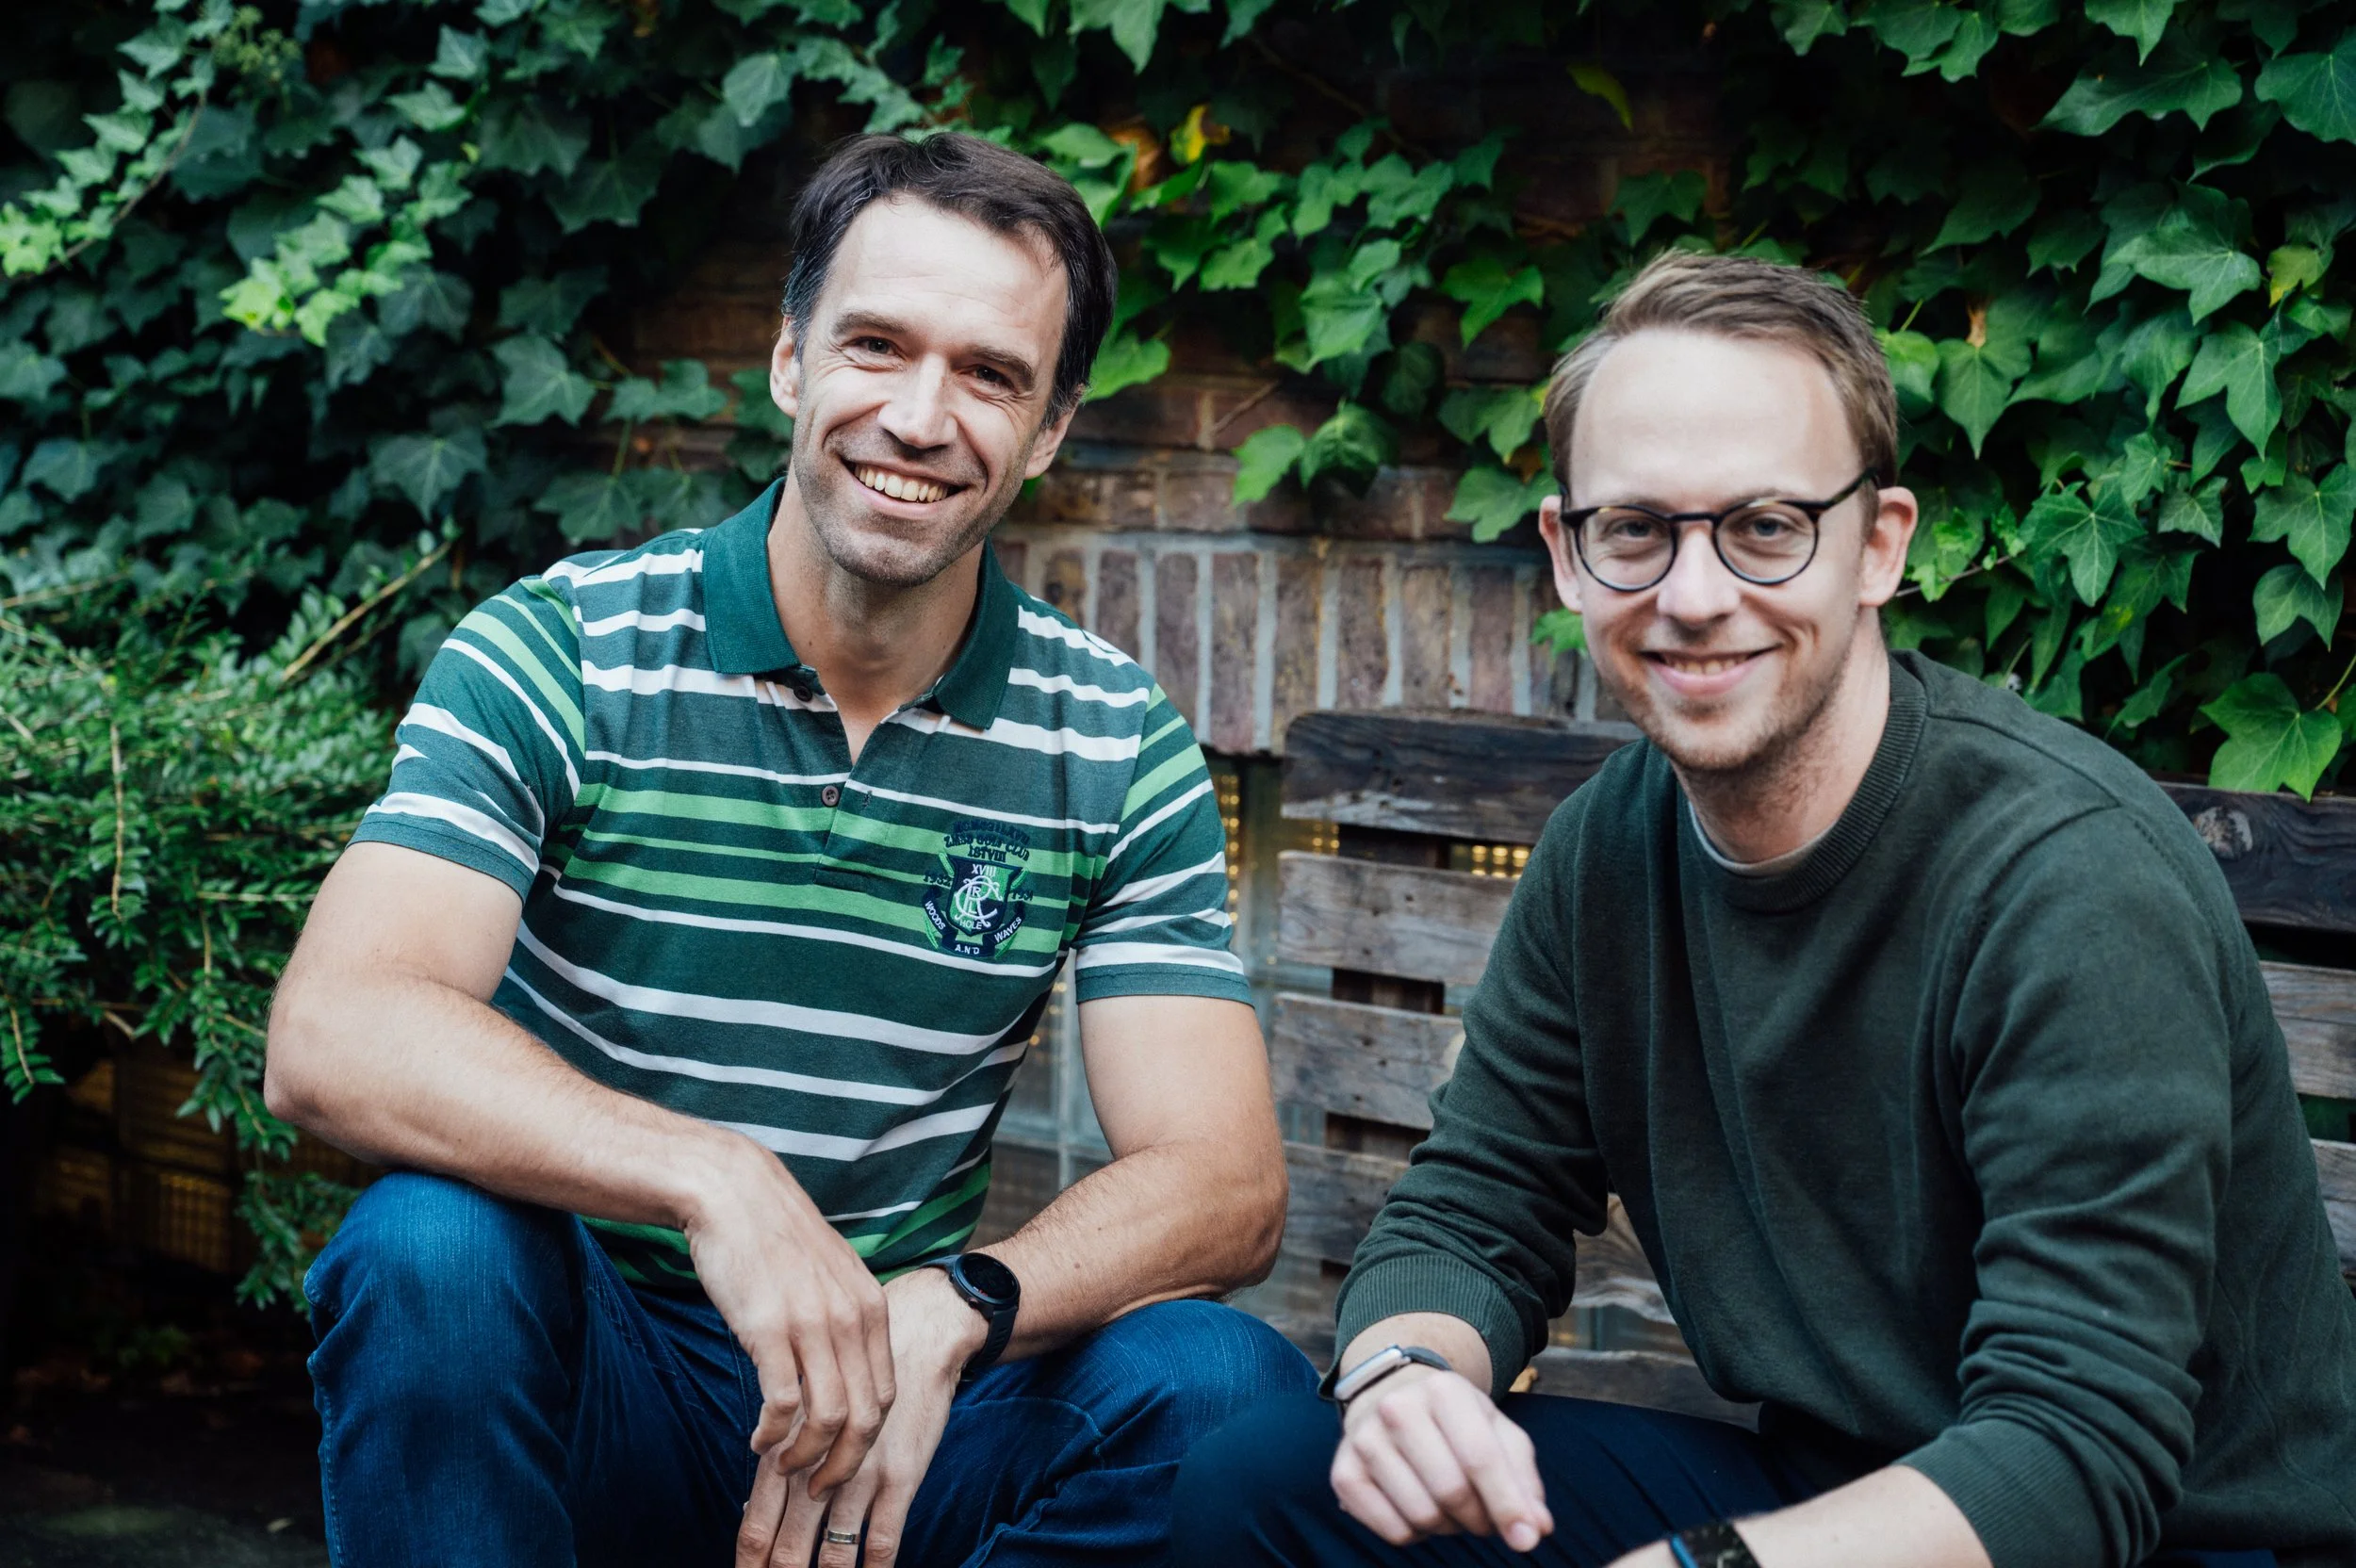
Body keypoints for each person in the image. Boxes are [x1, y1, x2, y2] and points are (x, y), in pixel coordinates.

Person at [1170, 251, 2356, 1568]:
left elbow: (2078, 1451)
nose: (1693, 596)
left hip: (2158, 1539)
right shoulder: (1608, 851)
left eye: (1766, 526)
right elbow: (1475, 1206)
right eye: (1637, 530)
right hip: (1831, 1480)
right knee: (1271, 1482)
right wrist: (1406, 1379)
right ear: (1568, 554)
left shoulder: (2067, 881)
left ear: (1879, 545)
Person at [265, 131, 1313, 1568]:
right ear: (789, 364)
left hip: (899, 1414)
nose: (921, 416)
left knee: (1224, 1394)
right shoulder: (565, 649)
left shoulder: (1112, 739)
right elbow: (334, 1031)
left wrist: (967, 1303)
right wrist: (717, 1180)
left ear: (1054, 430)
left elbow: (1227, 1180)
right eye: (876, 346)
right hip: (604, 1373)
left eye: (992, 375)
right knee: (429, 1249)